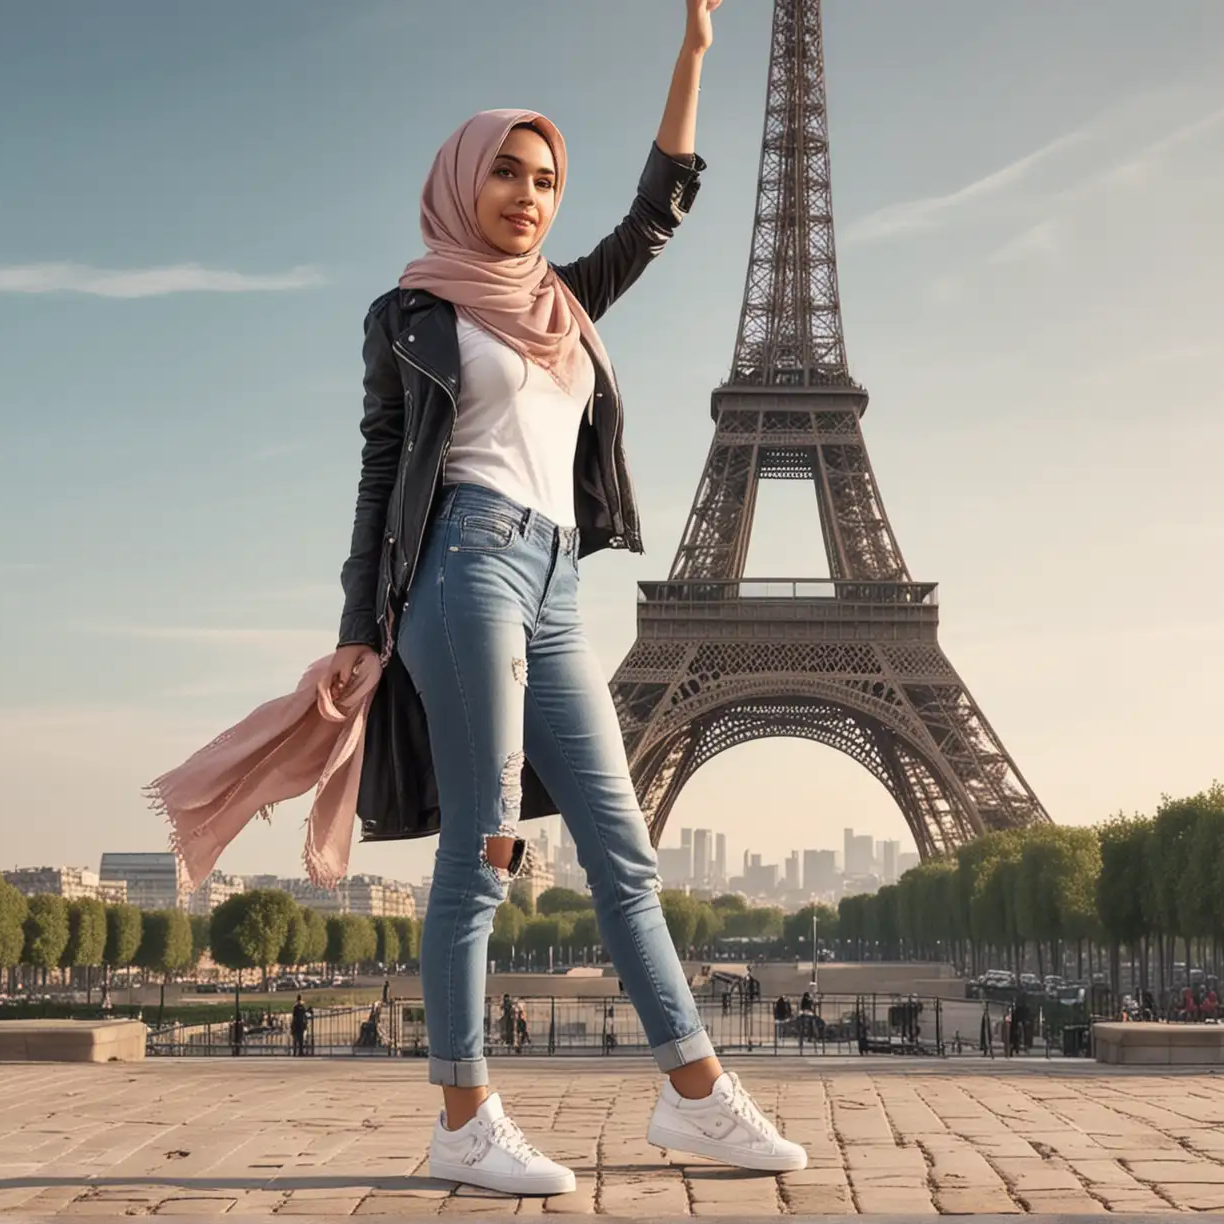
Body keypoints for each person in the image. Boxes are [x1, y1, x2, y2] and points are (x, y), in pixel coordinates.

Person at [326, 0, 800, 1199]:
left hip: (556, 583)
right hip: (461, 570)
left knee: (625, 854)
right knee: (484, 851)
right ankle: (464, 1117)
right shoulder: (413, 315)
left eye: (543, 178)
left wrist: (692, 55)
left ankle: (694, 1095)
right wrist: (355, 630)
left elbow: (657, 213)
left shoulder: (565, 302)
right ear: (460, 183)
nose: (527, 197)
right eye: (504, 174)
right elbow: (384, 474)